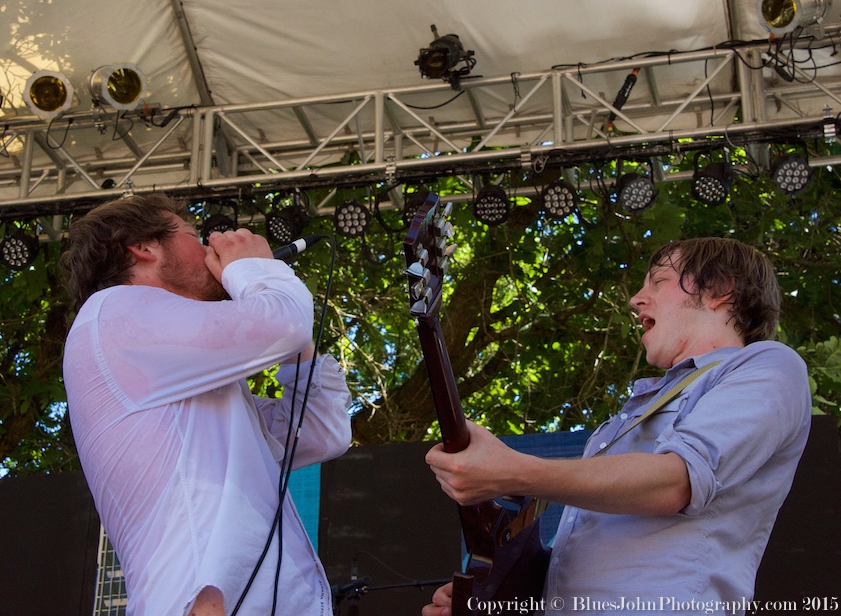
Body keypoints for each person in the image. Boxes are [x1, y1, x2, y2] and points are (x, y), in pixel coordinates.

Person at [423, 237, 811, 615]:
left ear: (720, 289)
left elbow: (676, 482)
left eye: (658, 281)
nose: (636, 299)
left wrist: (512, 473)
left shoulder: (769, 365)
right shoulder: (622, 423)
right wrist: (494, 593)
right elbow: (576, 568)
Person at [60, 193, 352, 616]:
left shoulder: (187, 379)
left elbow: (320, 434)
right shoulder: (113, 311)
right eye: (195, 236)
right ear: (144, 247)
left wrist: (281, 310)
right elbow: (283, 324)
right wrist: (255, 273)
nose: (209, 246)